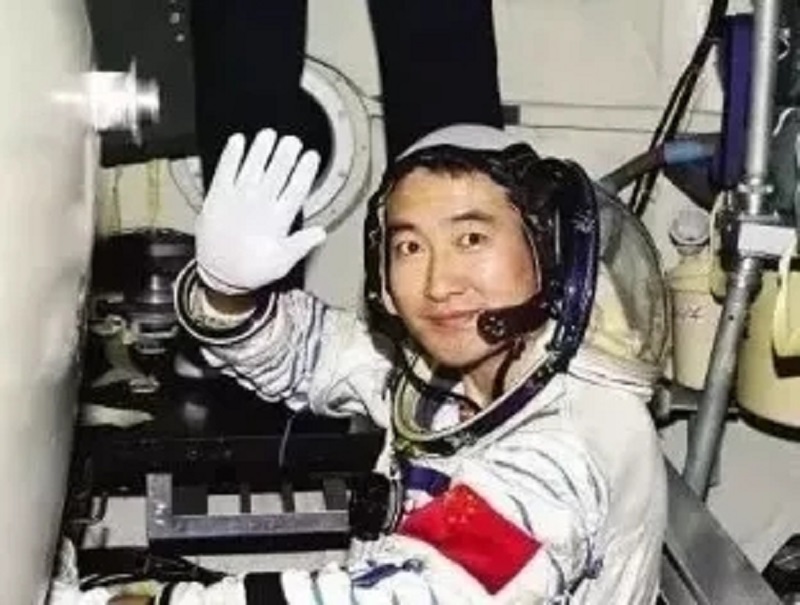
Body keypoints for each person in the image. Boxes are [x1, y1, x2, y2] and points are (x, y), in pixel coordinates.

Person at [60, 123, 670, 604]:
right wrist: (227, 293)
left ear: (547, 250)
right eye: (410, 246)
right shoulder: (463, 375)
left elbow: (408, 597)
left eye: (471, 239)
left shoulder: (569, 447)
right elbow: (312, 352)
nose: (438, 283)